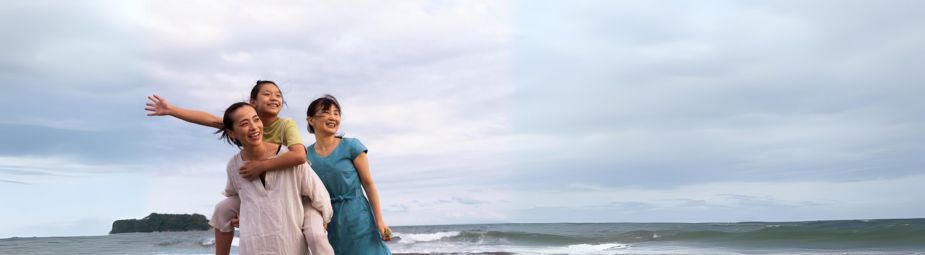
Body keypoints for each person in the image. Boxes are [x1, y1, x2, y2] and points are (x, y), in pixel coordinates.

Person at [145, 81, 334, 254]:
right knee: (221, 210)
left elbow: (299, 156)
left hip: (296, 190)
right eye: (267, 94)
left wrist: (261, 166)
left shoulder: (285, 125)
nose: (274, 98)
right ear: (252, 103)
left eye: (278, 94)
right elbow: (209, 119)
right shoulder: (244, 122)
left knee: (316, 235)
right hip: (259, 189)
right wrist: (171, 110)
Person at [217, 102, 332, 254]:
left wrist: (322, 221)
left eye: (256, 119)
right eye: (245, 123)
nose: (254, 127)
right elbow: (234, 197)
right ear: (232, 133)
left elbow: (319, 195)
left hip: (290, 246)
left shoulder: (288, 158)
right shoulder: (233, 166)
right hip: (253, 247)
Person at [305, 95, 392, 254]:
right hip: (327, 220)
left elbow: (368, 183)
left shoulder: (351, 146)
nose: (333, 117)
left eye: (336, 113)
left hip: (358, 214)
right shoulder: (305, 155)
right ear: (311, 120)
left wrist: (380, 221)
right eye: (326, 112)